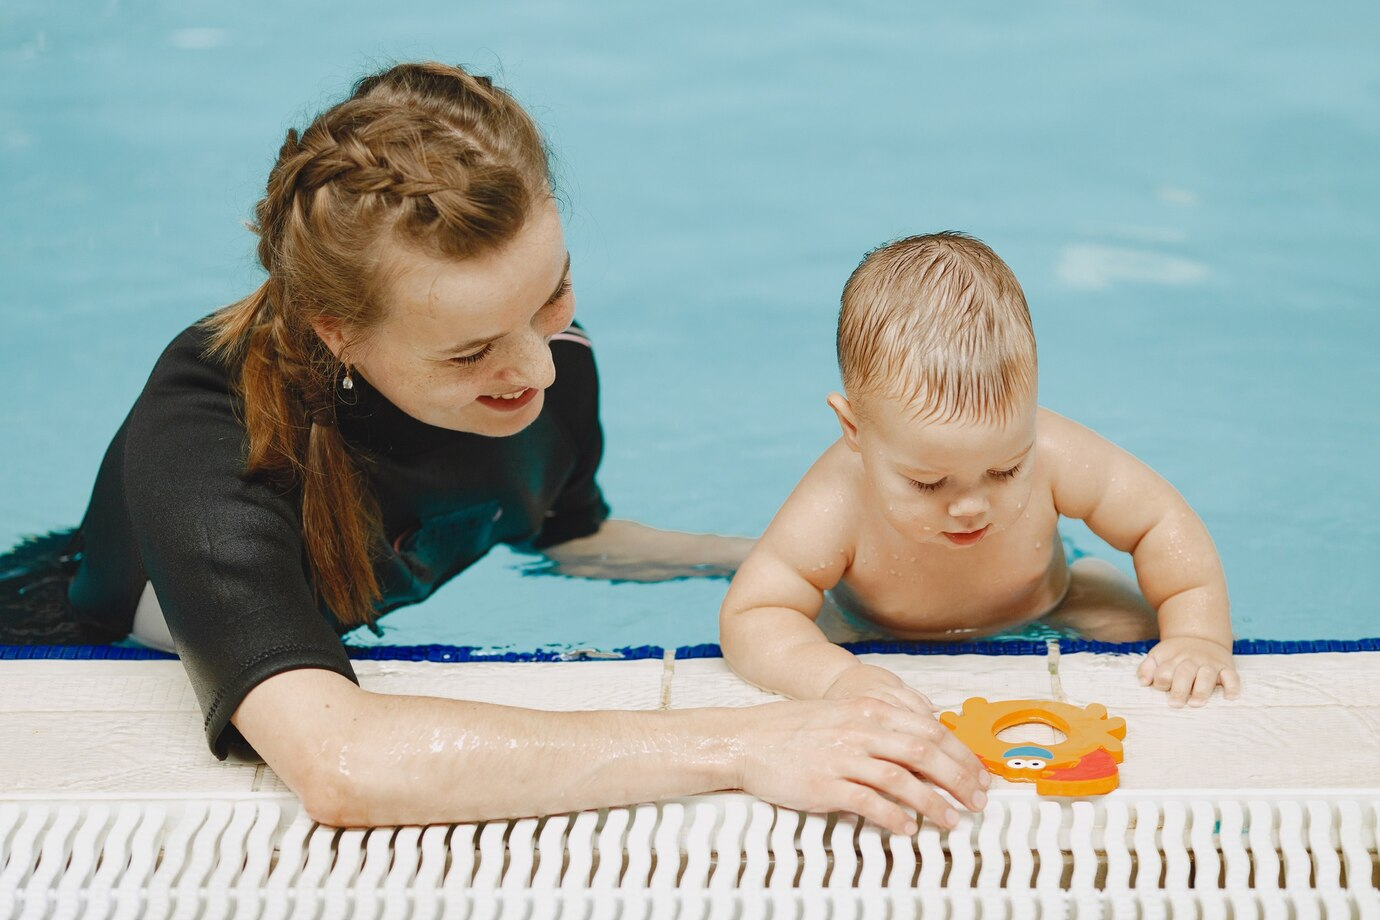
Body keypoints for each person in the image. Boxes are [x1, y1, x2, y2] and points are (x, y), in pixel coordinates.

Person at [0, 63, 988, 835]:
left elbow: (567, 541)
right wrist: (748, 741)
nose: (538, 370)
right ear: (338, 331)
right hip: (59, 640)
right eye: (471, 349)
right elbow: (343, 763)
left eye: (551, 294)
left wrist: (793, 566)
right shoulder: (210, 431)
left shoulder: (546, 357)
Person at [720, 232, 1241, 713]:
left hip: (1048, 601)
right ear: (854, 429)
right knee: (803, 639)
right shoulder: (836, 500)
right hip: (867, 625)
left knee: (1141, 633)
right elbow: (754, 613)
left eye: (1006, 470)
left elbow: (1159, 521)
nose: (971, 506)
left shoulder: (1056, 449)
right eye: (928, 482)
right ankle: (717, 553)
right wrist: (835, 678)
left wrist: (1198, 635)